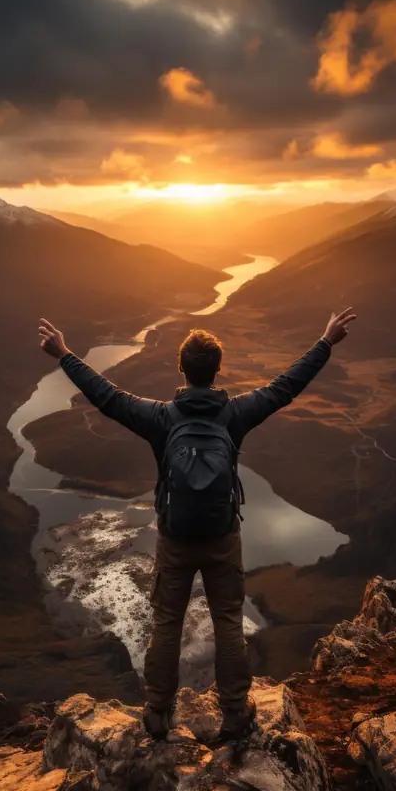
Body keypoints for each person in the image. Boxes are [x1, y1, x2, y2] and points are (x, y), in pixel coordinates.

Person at [38, 306, 356, 740]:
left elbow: (106, 395)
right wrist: (325, 342)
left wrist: (65, 354)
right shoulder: (236, 414)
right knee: (227, 620)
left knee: (167, 621)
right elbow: (287, 386)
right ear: (217, 370)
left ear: (181, 370)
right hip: (222, 535)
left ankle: (158, 713)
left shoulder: (160, 417)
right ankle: (235, 712)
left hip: (175, 537)